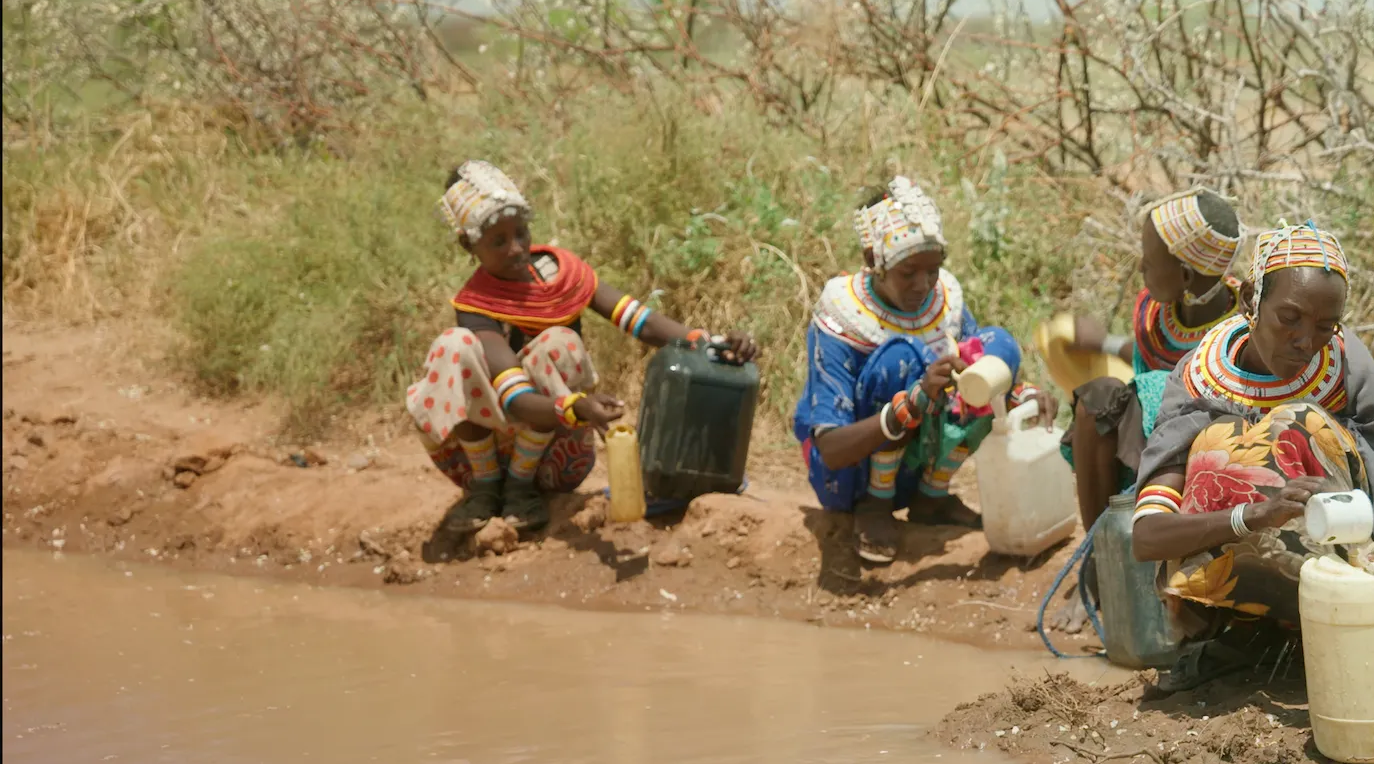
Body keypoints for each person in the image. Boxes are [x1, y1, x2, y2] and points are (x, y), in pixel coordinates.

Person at [1128, 223, 1374, 699]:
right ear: (1252, 298)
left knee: (1297, 424)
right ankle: (1253, 631)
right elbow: (1147, 536)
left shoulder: (1344, 365)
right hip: (1244, 560)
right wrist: (1252, 515)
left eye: (1323, 326)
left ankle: (1335, 623)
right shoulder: (1199, 383)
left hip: (1349, 549)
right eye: (1288, 318)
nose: (1303, 341)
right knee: (1219, 447)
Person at [406, 160, 758, 535]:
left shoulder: (561, 275)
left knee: (560, 342)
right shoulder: (475, 306)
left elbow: (638, 320)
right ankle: (488, 487)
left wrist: (710, 343)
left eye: (521, 233)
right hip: (479, 457)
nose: (516, 248)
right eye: (498, 241)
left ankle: (520, 487)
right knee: (452, 346)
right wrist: (575, 407)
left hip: (554, 457)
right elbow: (514, 397)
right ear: (468, 245)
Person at [793, 175, 1055, 565]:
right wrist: (911, 403)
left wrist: (1019, 394)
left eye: (933, 271)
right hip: (850, 479)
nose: (924, 285)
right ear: (874, 262)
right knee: (904, 358)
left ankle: (931, 498)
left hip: (915, 470)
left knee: (996, 345)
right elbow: (831, 449)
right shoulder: (842, 315)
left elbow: (972, 370)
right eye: (909, 273)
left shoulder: (943, 302)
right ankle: (876, 507)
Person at [1057, 189, 1244, 531]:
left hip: (1197, 459)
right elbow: (1152, 359)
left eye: (1150, 259)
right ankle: (1102, 549)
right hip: (1146, 439)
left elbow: (1174, 387)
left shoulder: (1236, 338)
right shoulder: (1160, 316)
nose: (1141, 265)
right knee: (1098, 404)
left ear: (1186, 277)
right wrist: (1103, 343)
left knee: (1105, 399)